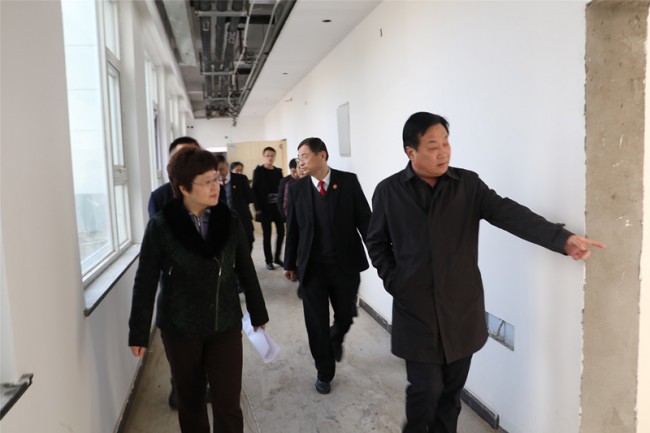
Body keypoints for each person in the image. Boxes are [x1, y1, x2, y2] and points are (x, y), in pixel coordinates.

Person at [365, 112, 606, 433]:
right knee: (425, 392)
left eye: (446, 143)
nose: (443, 152)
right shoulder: (389, 191)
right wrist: (395, 281)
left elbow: (509, 214)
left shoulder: (467, 185)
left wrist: (561, 239)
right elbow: (376, 242)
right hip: (416, 308)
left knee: (450, 396)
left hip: (460, 309)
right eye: (433, 146)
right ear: (411, 151)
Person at [128, 147, 269, 433]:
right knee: (190, 403)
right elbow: (145, 280)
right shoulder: (161, 226)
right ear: (183, 187)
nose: (215, 186)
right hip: (180, 327)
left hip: (225, 322)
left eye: (216, 179)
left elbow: (245, 268)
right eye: (206, 182)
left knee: (228, 403)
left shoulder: (229, 220)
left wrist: (258, 311)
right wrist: (139, 332)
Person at [283, 137, 372, 394]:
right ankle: (324, 371)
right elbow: (294, 229)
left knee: (345, 315)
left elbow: (365, 221)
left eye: (304, 156)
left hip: (345, 266)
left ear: (322, 155)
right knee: (316, 324)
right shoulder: (298, 189)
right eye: (298, 157)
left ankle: (337, 335)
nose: (300, 162)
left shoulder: (348, 182)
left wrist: (380, 255)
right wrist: (289, 263)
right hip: (313, 269)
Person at [146, 136, 201, 409]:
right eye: (181, 156)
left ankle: (201, 383)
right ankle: (178, 387)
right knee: (179, 342)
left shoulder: (210, 191)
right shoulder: (159, 197)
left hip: (207, 282)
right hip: (175, 282)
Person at [148, 136, 201, 217]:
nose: (190, 161)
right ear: (172, 161)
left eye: (194, 156)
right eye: (183, 156)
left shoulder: (215, 191)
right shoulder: (159, 197)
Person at [252, 147, 284, 270]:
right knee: (267, 235)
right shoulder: (258, 171)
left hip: (277, 208)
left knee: (281, 232)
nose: (270, 158)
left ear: (275, 157)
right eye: (267, 155)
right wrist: (257, 207)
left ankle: (277, 258)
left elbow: (282, 190)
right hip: (264, 208)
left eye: (272, 155)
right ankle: (268, 261)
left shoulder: (278, 171)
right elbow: (254, 190)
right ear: (263, 156)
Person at [216, 155, 256, 251]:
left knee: (248, 242)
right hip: (223, 220)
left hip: (242, 218)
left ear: (226, 165)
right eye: (216, 170)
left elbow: (250, 197)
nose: (219, 172)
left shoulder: (241, 179)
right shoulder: (213, 182)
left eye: (221, 169)